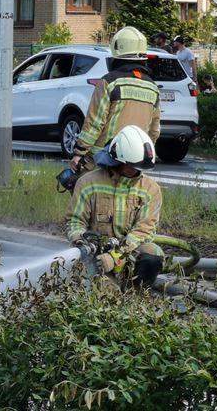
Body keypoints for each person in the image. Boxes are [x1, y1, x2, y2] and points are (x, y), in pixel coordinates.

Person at [66, 125, 164, 287]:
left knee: (152, 255)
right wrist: (81, 242)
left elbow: (143, 230)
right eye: (131, 166)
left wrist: (117, 255)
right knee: (106, 295)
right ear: (117, 159)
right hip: (95, 257)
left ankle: (136, 293)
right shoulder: (88, 183)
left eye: (139, 167)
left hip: (130, 252)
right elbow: (74, 221)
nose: (135, 171)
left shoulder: (150, 189)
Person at [70, 26, 161, 172]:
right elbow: (154, 130)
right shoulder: (152, 87)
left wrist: (79, 152)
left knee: (83, 190)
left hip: (104, 158)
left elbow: (94, 123)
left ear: (116, 54)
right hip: (134, 161)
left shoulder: (109, 82)